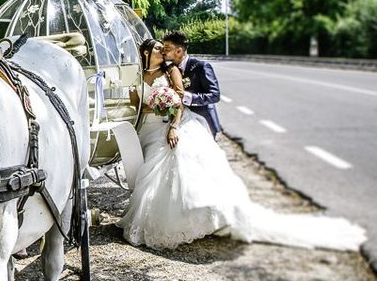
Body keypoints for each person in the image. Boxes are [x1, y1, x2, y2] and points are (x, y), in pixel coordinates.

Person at [118, 38, 366, 251]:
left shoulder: (171, 72)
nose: (164, 52)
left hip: (168, 125)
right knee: (147, 171)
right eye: (159, 49)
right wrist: (148, 110)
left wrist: (172, 125)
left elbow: (180, 102)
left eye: (166, 49)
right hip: (147, 129)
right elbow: (136, 107)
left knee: (174, 162)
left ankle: (188, 218)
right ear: (146, 53)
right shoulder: (138, 77)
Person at [161, 31, 222, 139]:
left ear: (179, 51)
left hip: (204, 121)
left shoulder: (201, 66)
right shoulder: (168, 69)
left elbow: (215, 95)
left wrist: (187, 96)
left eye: (167, 49)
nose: (163, 52)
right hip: (182, 122)